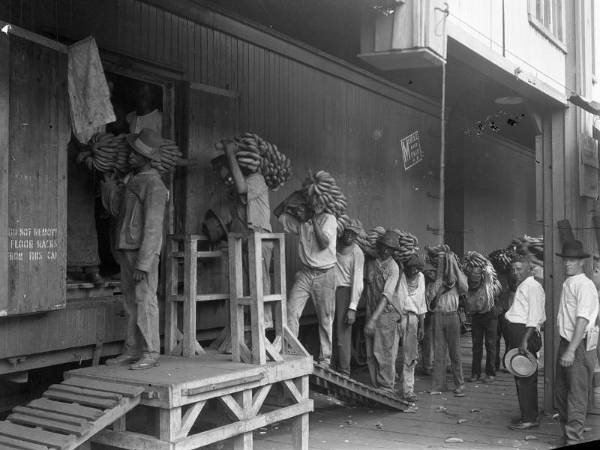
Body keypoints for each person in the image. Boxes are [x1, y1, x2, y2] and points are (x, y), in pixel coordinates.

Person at [101, 128, 168, 370]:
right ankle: (131, 349)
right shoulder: (135, 180)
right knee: (130, 302)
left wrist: (144, 263)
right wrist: (110, 186)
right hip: (128, 250)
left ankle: (150, 352)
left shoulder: (155, 185)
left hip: (142, 255)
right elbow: (119, 212)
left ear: (147, 159)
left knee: (145, 300)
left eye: (135, 153)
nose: (130, 156)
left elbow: (153, 228)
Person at [210, 140, 274, 326]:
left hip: (259, 239)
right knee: (246, 288)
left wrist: (230, 154)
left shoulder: (257, 179)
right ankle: (248, 333)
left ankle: (263, 328)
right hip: (246, 241)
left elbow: (241, 187)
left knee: (259, 285)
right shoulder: (236, 190)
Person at [285, 194, 338, 367]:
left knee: (325, 318)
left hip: (325, 274)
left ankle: (325, 359)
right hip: (306, 273)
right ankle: (291, 351)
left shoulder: (329, 219)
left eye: (319, 202)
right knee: (291, 309)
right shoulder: (301, 223)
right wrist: (292, 199)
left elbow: (323, 244)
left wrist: (314, 220)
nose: (316, 204)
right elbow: (280, 214)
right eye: (312, 202)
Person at [555, 240, 599, 446]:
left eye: (572, 260)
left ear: (582, 262)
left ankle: (574, 439)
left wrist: (571, 350)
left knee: (576, 394)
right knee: (562, 392)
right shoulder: (569, 283)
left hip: (577, 345)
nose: (567, 264)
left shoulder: (585, 285)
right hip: (567, 343)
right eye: (565, 260)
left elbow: (582, 318)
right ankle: (567, 435)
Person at [503, 255, 545, 430]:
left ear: (530, 269)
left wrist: (525, 340)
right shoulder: (524, 285)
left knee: (525, 376)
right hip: (519, 332)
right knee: (522, 374)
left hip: (524, 333)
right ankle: (528, 415)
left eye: (519, 269)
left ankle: (529, 418)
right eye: (513, 269)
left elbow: (534, 317)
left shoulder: (533, 286)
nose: (515, 272)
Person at [363, 231, 401, 394]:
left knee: (383, 351)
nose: (386, 251)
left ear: (393, 251)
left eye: (390, 248)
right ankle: (375, 385)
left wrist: (373, 320)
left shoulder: (393, 267)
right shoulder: (371, 262)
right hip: (371, 309)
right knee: (371, 352)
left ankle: (386, 386)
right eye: (384, 247)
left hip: (385, 314)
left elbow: (386, 296)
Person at [428, 248, 468, 397]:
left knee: (455, 352)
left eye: (444, 262)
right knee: (439, 353)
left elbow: (464, 288)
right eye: (440, 262)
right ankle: (439, 385)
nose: (442, 264)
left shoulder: (457, 279)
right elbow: (430, 298)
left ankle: (460, 384)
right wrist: (439, 279)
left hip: (452, 316)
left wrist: (454, 266)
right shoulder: (436, 280)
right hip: (438, 316)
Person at [333, 219, 365, 376]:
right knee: (329, 331)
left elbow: (358, 281)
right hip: (330, 290)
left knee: (342, 335)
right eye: (347, 232)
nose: (349, 236)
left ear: (356, 236)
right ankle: (331, 368)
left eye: (353, 234)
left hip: (345, 293)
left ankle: (344, 371)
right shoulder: (333, 244)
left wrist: (352, 307)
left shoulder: (357, 252)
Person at [463, 252, 501, 384]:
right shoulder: (469, 286)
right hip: (476, 316)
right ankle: (475, 373)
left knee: (490, 344)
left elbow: (492, 280)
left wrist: (486, 267)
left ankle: (490, 373)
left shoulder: (488, 282)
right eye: (472, 277)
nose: (474, 279)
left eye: (477, 276)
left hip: (490, 315)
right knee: (476, 345)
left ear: (481, 276)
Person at [394, 253, 427, 402]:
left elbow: (421, 304)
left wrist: (422, 326)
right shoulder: (399, 276)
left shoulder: (421, 278)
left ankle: (408, 390)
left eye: (417, 268)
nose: (414, 271)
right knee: (392, 353)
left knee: (410, 356)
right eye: (411, 268)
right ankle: (389, 388)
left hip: (413, 319)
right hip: (396, 317)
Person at [418, 262, 437, 376]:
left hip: (434, 312)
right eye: (429, 273)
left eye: (432, 273)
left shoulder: (437, 282)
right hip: (427, 313)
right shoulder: (424, 282)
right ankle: (427, 366)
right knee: (428, 340)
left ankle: (431, 364)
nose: (431, 275)